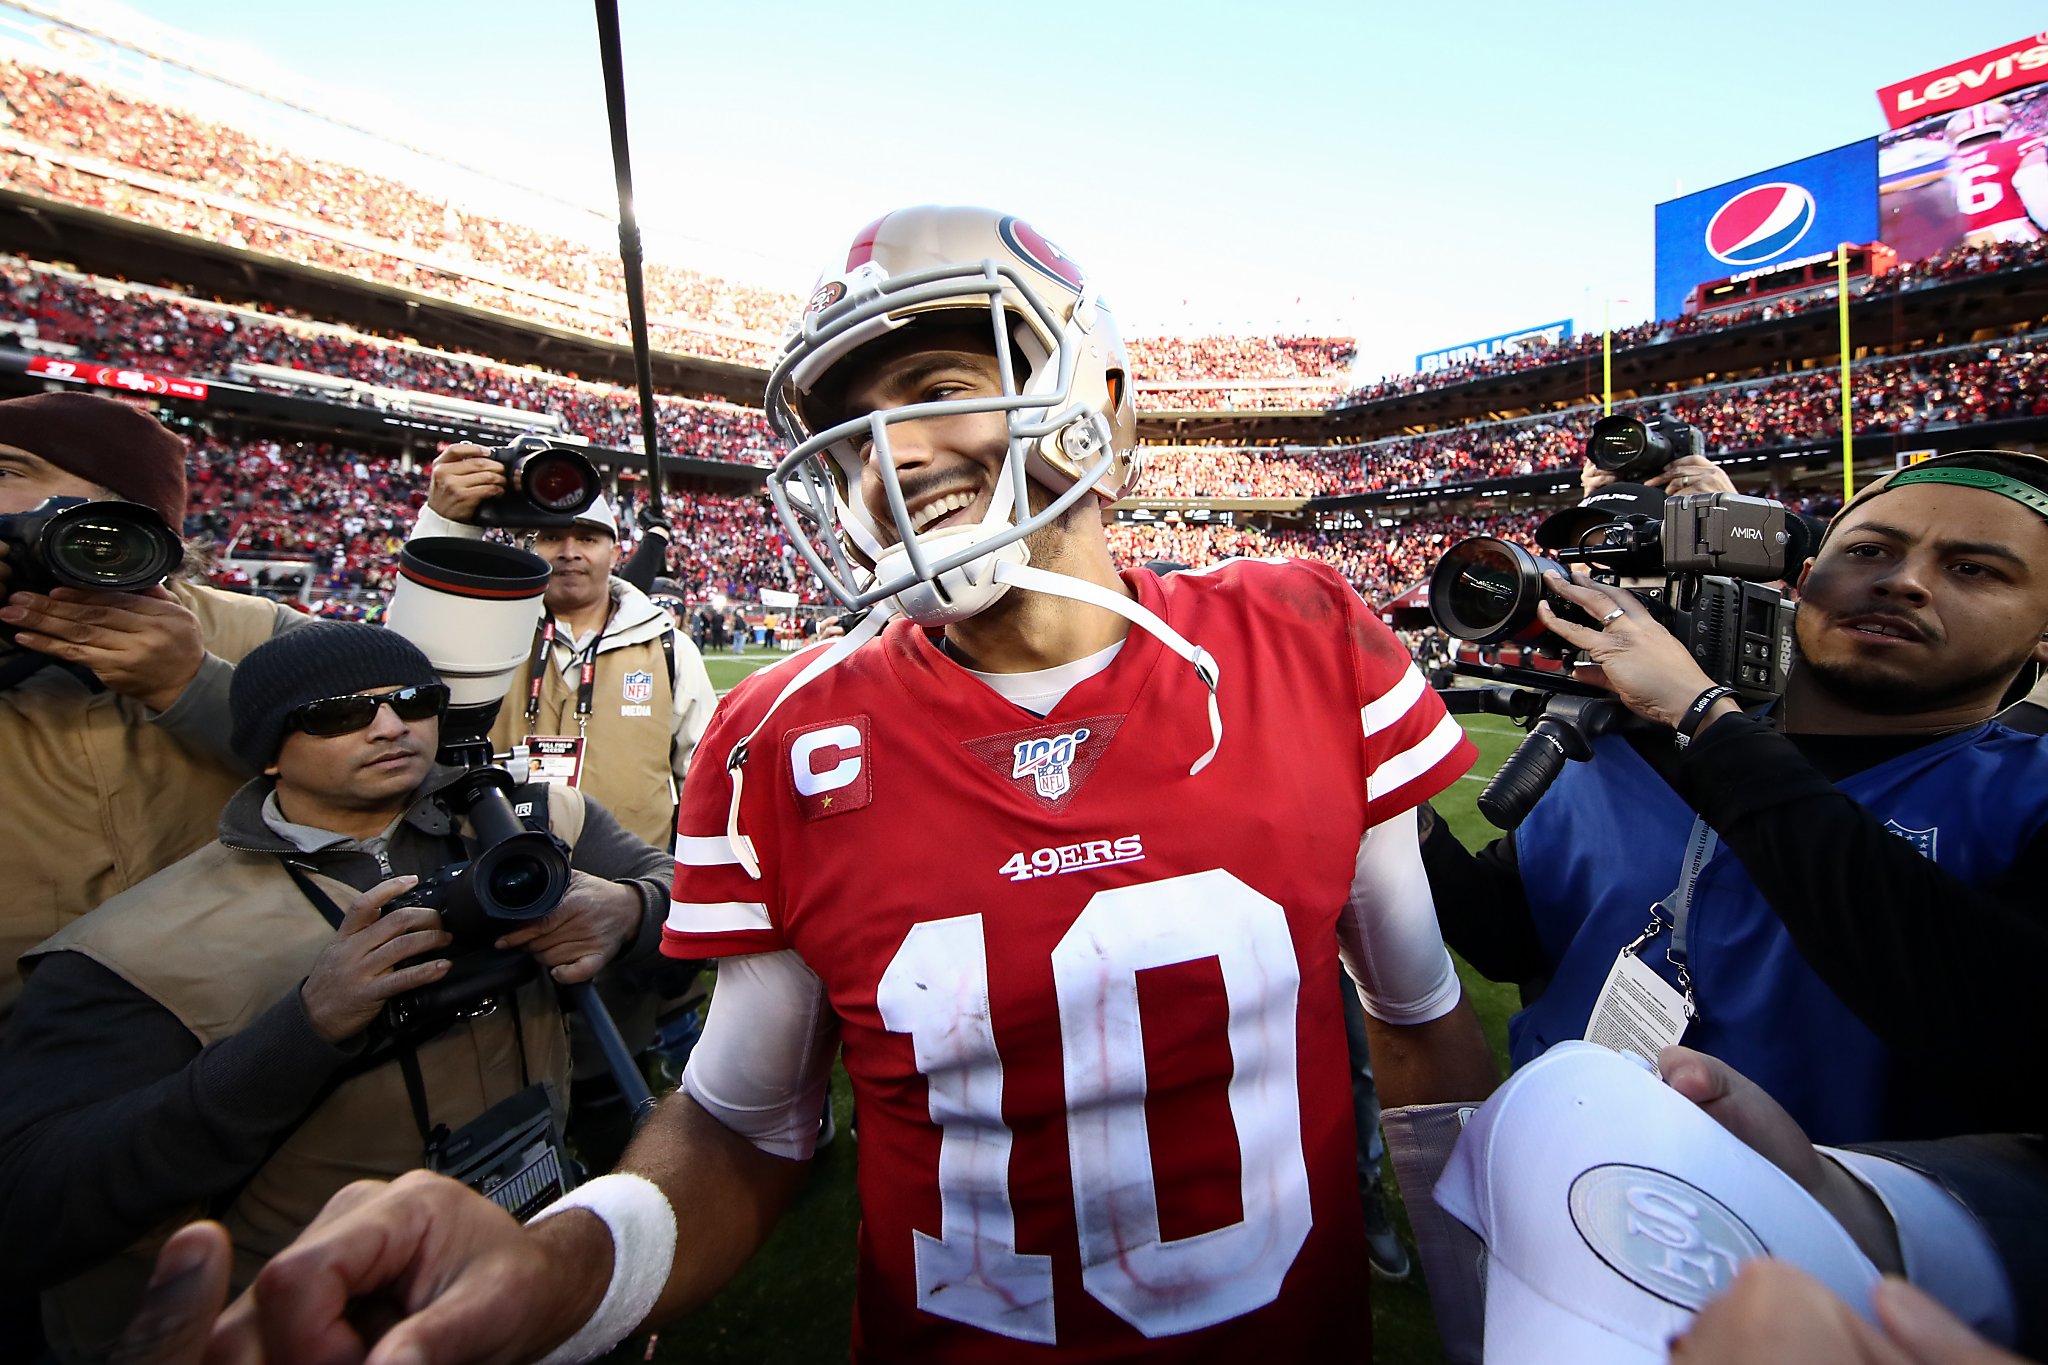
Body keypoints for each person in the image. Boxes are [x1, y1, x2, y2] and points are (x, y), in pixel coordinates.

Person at [178, 205, 1498, 1363]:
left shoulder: (1304, 632)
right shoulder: (777, 740)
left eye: (934, 383)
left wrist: (1482, 1316)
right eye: (850, 427)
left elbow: (1418, 1018)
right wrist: (561, 1270)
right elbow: (747, 1125)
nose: (892, 453)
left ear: (1094, 396)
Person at [0, 622, 673, 1360]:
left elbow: (699, 902)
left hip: (527, 1249)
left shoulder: (541, 820)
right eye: (338, 712)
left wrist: (630, 909)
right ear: (265, 749)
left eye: (413, 701)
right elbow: (34, 1203)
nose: (389, 725)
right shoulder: (135, 946)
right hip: (306, 1319)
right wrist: (304, 1028)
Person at [1426, 449, 2048, 1144]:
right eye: (1870, 549)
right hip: (1563, 1183)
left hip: (1829, 1237)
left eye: (1974, 568)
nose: (1903, 581)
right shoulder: (1632, 737)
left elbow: (2003, 1024)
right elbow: (1514, 939)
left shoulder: (2028, 795)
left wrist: (1704, 718)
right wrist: (1400, 822)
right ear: (1803, 579)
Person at [0, 391, 307, 1040]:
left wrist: (193, 687)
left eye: (7, 471)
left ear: (117, 510)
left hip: (232, 1028)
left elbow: (395, 770)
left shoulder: (262, 632)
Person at [410, 474, 717, 849]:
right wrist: (446, 524)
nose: (570, 551)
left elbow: (706, 777)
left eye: (588, 538)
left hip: (632, 884)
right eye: (551, 537)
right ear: (528, 548)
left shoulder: (670, 648)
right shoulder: (487, 634)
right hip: (494, 870)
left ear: (615, 553)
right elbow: (410, 648)